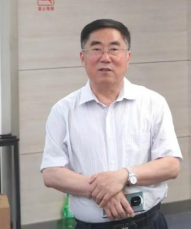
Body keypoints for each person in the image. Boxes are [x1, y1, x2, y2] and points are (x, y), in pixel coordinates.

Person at [41, 19, 182, 229]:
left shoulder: (153, 102)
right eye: (96, 49)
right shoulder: (63, 110)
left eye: (114, 49)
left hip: (148, 223)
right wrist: (104, 190)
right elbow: (51, 173)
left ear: (128, 57)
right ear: (83, 57)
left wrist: (124, 176)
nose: (105, 57)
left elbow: (171, 165)